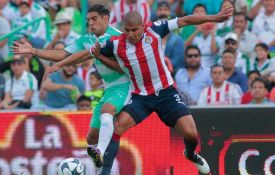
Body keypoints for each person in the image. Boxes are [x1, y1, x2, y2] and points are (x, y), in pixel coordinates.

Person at [50, 8, 234, 174]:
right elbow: (86, 53)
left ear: (142, 26)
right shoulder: (116, 44)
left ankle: (191, 154)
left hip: (166, 93)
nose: (130, 34)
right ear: (123, 28)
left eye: (134, 30)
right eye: (127, 30)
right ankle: (104, 172)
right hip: (141, 97)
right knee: (117, 127)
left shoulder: (155, 29)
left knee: (191, 134)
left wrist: (215, 17)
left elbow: (185, 20)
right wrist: (60, 63)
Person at [12, 5, 131, 174]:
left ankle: (102, 156)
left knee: (107, 113)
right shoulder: (87, 39)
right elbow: (63, 54)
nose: (90, 23)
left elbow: (125, 67)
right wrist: (33, 51)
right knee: (91, 137)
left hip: (126, 85)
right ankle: (98, 168)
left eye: (94, 19)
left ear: (106, 18)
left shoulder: (119, 38)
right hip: (109, 88)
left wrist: (60, 65)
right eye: (88, 20)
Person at [156, 1, 185, 71]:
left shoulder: (177, 39)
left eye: (165, 9)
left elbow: (176, 61)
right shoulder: (151, 36)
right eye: (160, 9)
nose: (163, 12)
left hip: (172, 73)